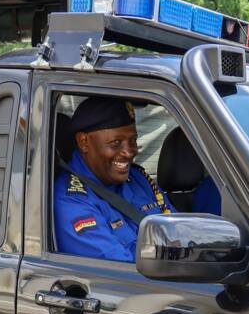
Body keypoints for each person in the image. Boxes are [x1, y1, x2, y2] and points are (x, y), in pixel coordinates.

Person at [53, 97, 175, 262]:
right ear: (83, 142)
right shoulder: (71, 202)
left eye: (133, 140)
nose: (130, 152)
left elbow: (176, 230)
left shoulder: (138, 178)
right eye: (116, 143)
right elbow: (123, 270)